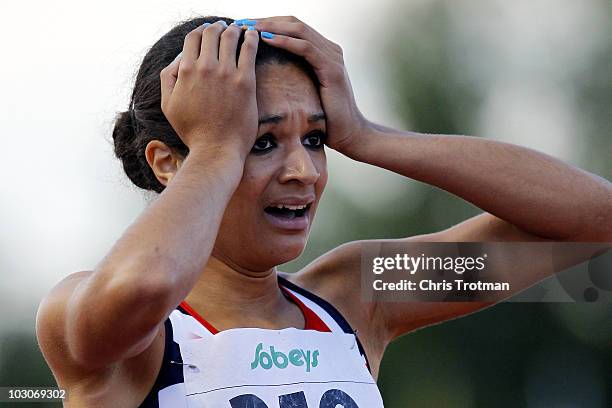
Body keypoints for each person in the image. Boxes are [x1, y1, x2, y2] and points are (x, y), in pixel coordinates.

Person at [35, 15, 612, 408]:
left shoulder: (358, 298)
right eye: (260, 143)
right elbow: (146, 287)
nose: (303, 172)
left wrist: (368, 136)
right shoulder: (102, 324)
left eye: (313, 139)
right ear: (167, 162)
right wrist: (216, 147)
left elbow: (592, 220)